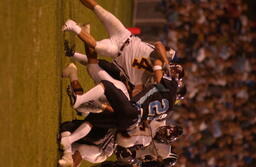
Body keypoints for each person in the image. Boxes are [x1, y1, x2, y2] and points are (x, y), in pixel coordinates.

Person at [62, 0, 176, 96]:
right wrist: (165, 61)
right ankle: (76, 32)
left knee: (95, 46)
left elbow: (136, 91)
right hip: (125, 35)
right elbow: (158, 44)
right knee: (98, 9)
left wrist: (144, 95)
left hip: (116, 51)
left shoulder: (144, 80)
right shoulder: (162, 58)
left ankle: (73, 26)